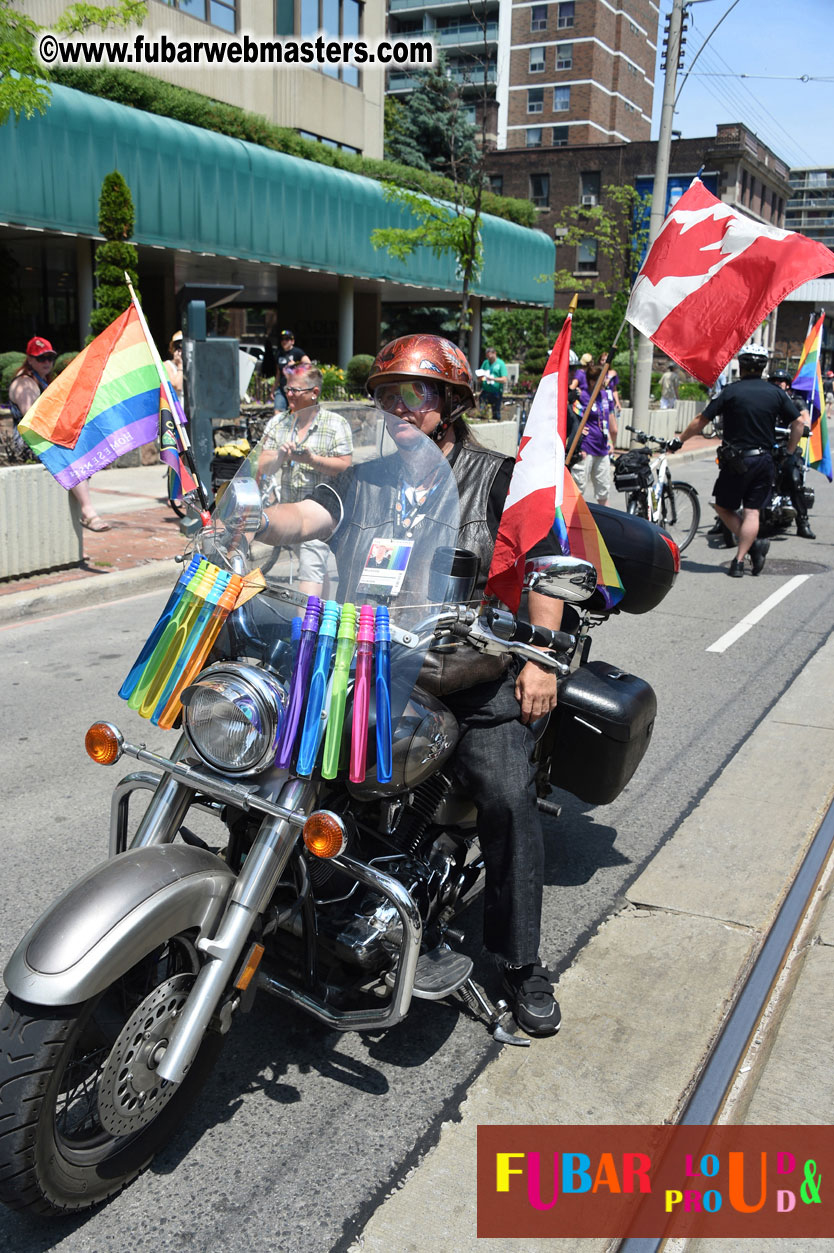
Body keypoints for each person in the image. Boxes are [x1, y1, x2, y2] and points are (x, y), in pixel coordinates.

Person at [254, 334, 564, 1037]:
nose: (397, 407)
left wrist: (539, 656)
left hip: (466, 670)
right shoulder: (367, 477)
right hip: (371, 660)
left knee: (507, 794)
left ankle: (520, 963)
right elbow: (309, 516)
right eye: (387, 394)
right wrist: (250, 514)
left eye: (413, 393)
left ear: (450, 403)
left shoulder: (497, 477)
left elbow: (541, 564)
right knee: (290, 753)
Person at [673, 344, 804, 577]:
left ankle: (753, 546)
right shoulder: (776, 393)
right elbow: (799, 423)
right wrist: (790, 451)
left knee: (723, 507)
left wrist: (680, 440)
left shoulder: (730, 392)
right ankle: (740, 561)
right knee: (752, 511)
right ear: (763, 367)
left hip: (736, 461)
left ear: (741, 366)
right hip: (764, 460)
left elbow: (701, 420)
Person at [259, 365, 353, 596]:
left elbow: (345, 466)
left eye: (296, 390)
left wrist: (312, 460)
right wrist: (280, 456)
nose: (289, 394)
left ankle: (304, 631)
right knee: (316, 569)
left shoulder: (335, 423)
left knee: (310, 572)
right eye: (287, 388)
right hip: (291, 515)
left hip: (321, 514)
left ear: (314, 392)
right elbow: (262, 466)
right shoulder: (278, 423)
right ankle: (326, 616)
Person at [8, 336, 111, 532]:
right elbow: (33, 420)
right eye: (40, 358)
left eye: (50, 357)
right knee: (70, 456)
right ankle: (88, 512)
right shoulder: (26, 384)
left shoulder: (41, 379)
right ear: (29, 359)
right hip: (29, 444)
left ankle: (83, 519)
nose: (46, 362)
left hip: (43, 439)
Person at [768, 369, 815, 539]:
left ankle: (803, 523)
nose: (777, 384)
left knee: (794, 478)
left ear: (787, 385)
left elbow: (804, 419)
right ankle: (723, 521)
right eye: (774, 381)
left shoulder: (795, 402)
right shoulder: (766, 401)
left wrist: (804, 426)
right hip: (766, 445)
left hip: (788, 446)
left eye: (781, 381)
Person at [570, 362, 618, 506]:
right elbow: (572, 418)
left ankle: (604, 525)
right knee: (578, 489)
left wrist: (611, 442)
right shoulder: (582, 396)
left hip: (602, 448)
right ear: (592, 381)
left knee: (603, 491)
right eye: (601, 379)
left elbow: (611, 424)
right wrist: (578, 434)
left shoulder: (605, 395)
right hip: (586, 448)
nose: (604, 382)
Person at [273, 330, 311, 412]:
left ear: (292, 341)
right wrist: (273, 389)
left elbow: (308, 364)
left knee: (295, 411)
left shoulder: (297, 352)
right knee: (278, 411)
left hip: (295, 388)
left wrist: (296, 364)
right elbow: (278, 374)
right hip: (282, 388)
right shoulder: (278, 353)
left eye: (287, 339)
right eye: (282, 339)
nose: (284, 341)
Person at [479, 346, 508, 421]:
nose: (489, 359)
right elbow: (481, 374)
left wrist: (493, 379)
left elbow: (504, 379)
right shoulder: (486, 363)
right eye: (487, 357)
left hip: (496, 392)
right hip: (486, 391)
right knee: (483, 411)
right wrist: (481, 377)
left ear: (494, 353)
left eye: (490, 357)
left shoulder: (500, 364)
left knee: (496, 413)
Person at [164, 330, 183, 402]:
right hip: (177, 406)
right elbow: (177, 386)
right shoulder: (167, 365)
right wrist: (180, 364)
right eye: (177, 347)